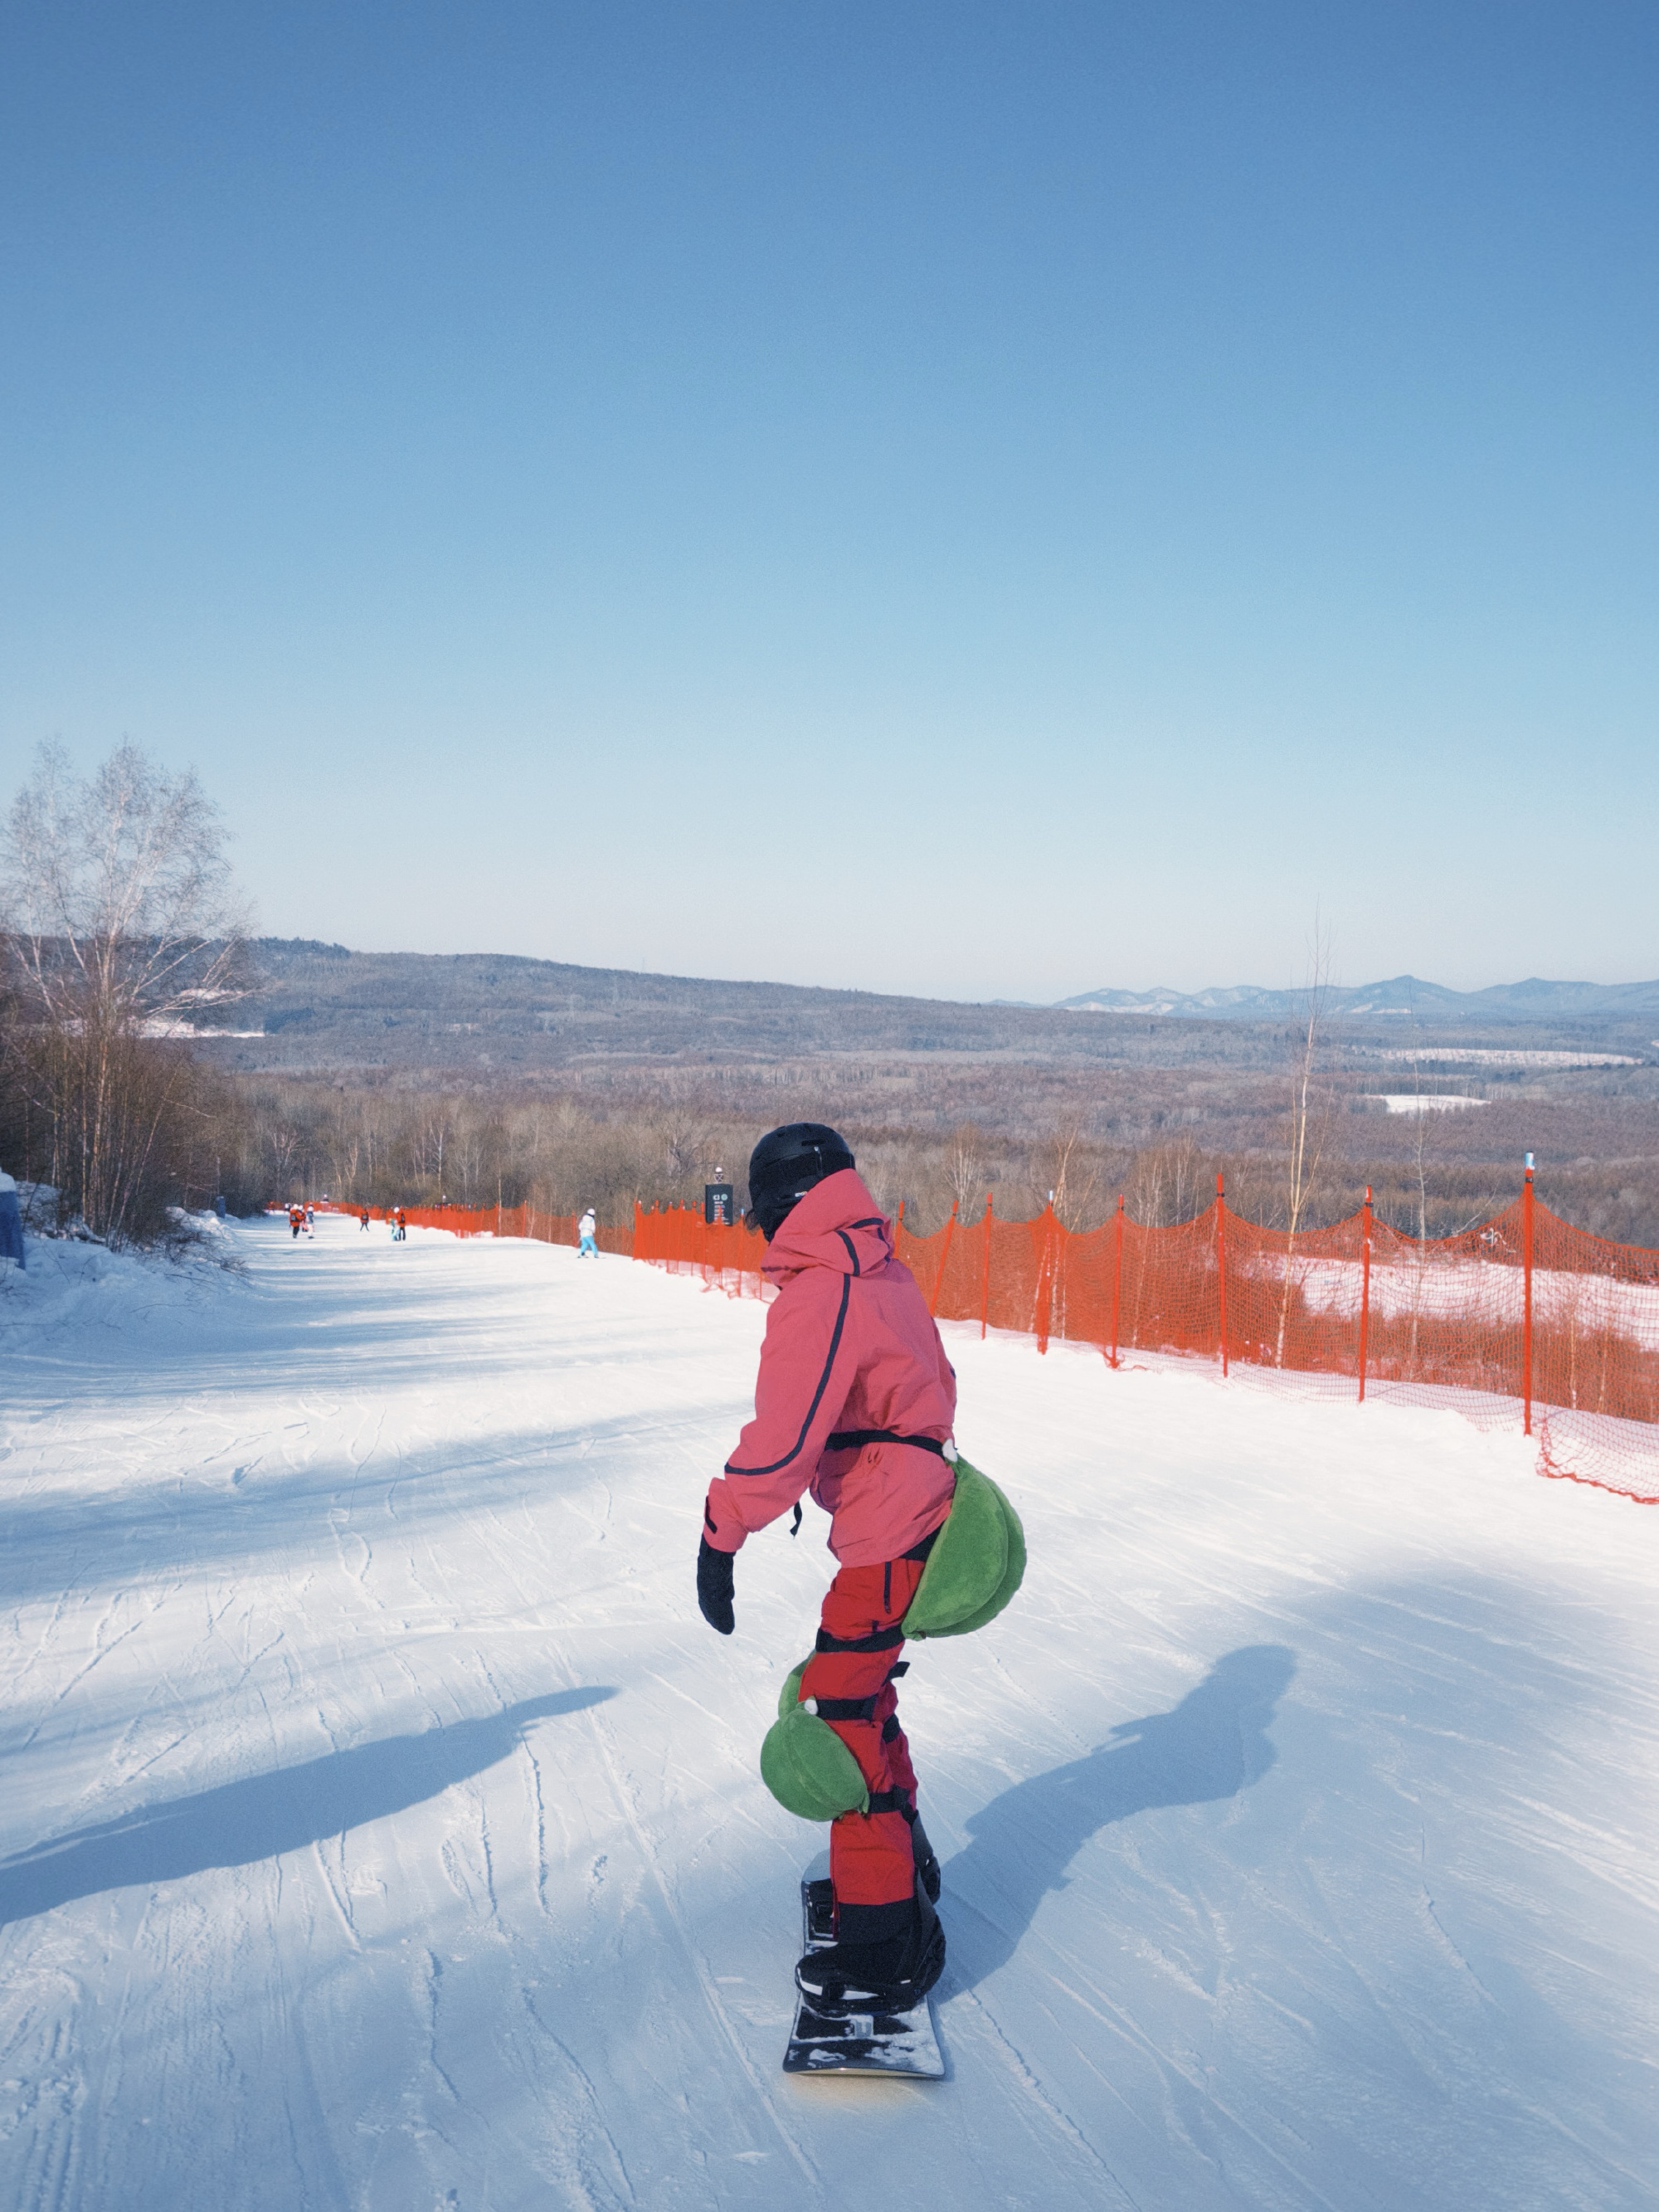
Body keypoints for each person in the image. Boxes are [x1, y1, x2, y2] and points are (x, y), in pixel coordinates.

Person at [696, 1123, 955, 2011]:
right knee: (859, 1690)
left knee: (837, 1713)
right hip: (912, 1505)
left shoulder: (820, 1288)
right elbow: (935, 1380)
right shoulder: (879, 1261)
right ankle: (905, 1863)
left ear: (776, 1205)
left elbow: (780, 1445)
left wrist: (718, 1532)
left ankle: (884, 1944)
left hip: (889, 1522)